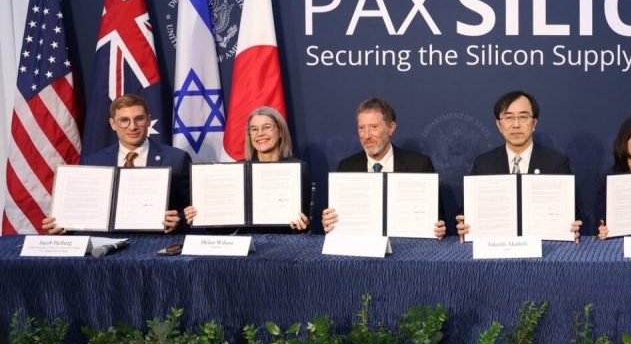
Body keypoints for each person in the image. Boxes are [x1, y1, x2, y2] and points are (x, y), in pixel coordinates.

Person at [42, 94, 190, 234]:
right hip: (107, 245)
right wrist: (63, 226)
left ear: (148, 121)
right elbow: (83, 209)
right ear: (113, 124)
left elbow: (192, 209)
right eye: (124, 120)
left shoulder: (176, 159)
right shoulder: (94, 162)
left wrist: (179, 221)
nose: (132, 127)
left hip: (157, 243)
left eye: (139, 119)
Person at [456, 90, 582, 242]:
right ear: (498, 125)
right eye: (508, 117)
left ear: (534, 123)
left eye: (523, 117)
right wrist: (464, 224)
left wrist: (572, 226)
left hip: (545, 247)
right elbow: (468, 213)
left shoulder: (556, 162)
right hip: (496, 247)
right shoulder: (484, 163)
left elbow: (571, 214)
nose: (516, 125)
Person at [322, 97, 445, 238]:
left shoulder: (419, 165)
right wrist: (330, 222)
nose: (366, 135)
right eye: (362, 128)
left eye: (374, 127)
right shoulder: (346, 168)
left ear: (391, 128)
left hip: (409, 246)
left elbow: (437, 217)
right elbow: (337, 219)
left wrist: (438, 228)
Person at [184, 106, 310, 232]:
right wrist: (203, 215)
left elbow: (304, 223)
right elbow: (222, 230)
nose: (260, 133)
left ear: (281, 131)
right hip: (247, 241)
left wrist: (302, 225)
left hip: (285, 241)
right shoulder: (238, 171)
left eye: (267, 127)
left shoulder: (298, 169)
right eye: (254, 129)